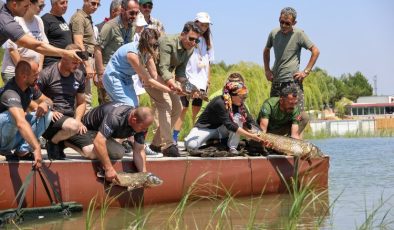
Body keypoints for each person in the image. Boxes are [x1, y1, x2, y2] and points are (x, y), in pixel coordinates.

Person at [144, 21, 200, 157]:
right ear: (182, 34)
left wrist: (190, 88)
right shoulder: (167, 42)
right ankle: (168, 145)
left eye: (196, 40)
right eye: (191, 39)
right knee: (165, 105)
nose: (193, 42)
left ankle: (155, 145)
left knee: (178, 108)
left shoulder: (190, 49)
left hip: (165, 79)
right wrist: (173, 85)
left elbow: (180, 74)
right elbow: (163, 68)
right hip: (151, 76)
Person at [67, 102, 154, 182]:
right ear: (134, 120)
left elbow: (139, 150)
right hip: (84, 130)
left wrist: (144, 176)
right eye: (143, 128)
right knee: (91, 151)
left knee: (119, 152)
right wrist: (108, 168)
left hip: (99, 134)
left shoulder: (142, 123)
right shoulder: (115, 117)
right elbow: (98, 142)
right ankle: (66, 141)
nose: (145, 130)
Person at [184, 81, 265, 155]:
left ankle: (232, 148)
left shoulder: (240, 105)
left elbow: (251, 122)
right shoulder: (220, 102)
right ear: (232, 95)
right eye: (241, 96)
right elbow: (230, 124)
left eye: (245, 96)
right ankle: (214, 142)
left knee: (238, 117)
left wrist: (263, 136)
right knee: (191, 146)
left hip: (221, 130)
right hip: (205, 129)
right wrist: (251, 136)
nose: (244, 99)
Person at [263, 7, 320, 110]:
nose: (284, 25)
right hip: (276, 81)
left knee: (297, 116)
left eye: (287, 23)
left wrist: (306, 71)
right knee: (275, 116)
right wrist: (267, 70)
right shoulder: (274, 33)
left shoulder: (299, 34)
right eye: (282, 22)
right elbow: (266, 50)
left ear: (294, 23)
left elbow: (315, 51)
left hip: (292, 83)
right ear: (279, 19)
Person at [0, 59, 52, 168]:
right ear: (24, 77)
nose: (38, 78)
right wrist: (36, 148)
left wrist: (45, 104)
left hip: (12, 133)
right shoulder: (10, 92)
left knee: (47, 114)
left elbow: (49, 100)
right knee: (13, 117)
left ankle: (22, 150)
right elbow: (20, 123)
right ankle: (4, 150)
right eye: (35, 75)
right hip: (3, 135)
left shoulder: (31, 87)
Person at [38, 44, 87, 160]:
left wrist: (78, 120)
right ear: (64, 57)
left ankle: (62, 142)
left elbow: (82, 102)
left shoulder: (79, 75)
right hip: (50, 119)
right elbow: (33, 97)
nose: (77, 65)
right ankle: (52, 143)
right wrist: (50, 111)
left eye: (79, 62)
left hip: (70, 121)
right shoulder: (47, 74)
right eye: (74, 62)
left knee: (91, 151)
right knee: (73, 126)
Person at [0, 0, 81, 69]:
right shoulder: (7, 21)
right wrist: (66, 53)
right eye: (26, 6)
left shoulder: (4, 9)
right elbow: (36, 46)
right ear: (14, 5)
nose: (28, 8)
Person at [173, 12, 215, 143]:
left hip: (201, 80)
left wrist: (208, 81)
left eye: (206, 25)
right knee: (183, 107)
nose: (204, 27)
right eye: (201, 24)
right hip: (187, 77)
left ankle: (193, 136)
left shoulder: (208, 41)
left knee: (196, 110)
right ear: (195, 23)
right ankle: (174, 136)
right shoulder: (189, 37)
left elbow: (209, 62)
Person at [103, 28, 172, 107]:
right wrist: (168, 90)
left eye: (155, 45)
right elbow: (148, 79)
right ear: (143, 42)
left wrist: (169, 86)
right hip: (114, 77)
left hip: (126, 78)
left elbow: (155, 75)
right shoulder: (132, 55)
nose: (153, 48)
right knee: (129, 106)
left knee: (134, 105)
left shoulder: (147, 53)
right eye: (150, 45)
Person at [94, 0, 139, 105]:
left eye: (137, 13)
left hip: (124, 75)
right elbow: (97, 49)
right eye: (132, 13)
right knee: (110, 108)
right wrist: (100, 74)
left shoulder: (132, 27)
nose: (134, 16)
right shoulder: (110, 26)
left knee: (128, 107)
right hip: (109, 74)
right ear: (123, 10)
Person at [1, 0, 48, 84]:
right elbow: (12, 50)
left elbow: (43, 45)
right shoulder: (14, 20)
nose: (42, 9)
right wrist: (25, 71)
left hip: (31, 72)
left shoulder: (39, 21)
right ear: (30, 4)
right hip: (14, 71)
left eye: (43, 6)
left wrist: (39, 68)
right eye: (40, 6)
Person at [69, 0, 100, 111]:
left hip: (88, 58)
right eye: (93, 3)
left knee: (86, 95)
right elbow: (78, 42)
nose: (95, 7)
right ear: (85, 1)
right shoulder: (79, 17)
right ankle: (83, 126)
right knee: (85, 97)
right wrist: (87, 65)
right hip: (82, 60)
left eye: (98, 4)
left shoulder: (87, 17)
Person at [41, 0, 73, 69]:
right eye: (62, 3)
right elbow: (41, 45)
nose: (65, 5)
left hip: (64, 64)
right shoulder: (45, 19)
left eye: (66, 2)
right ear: (54, 4)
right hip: (52, 64)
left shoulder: (62, 19)